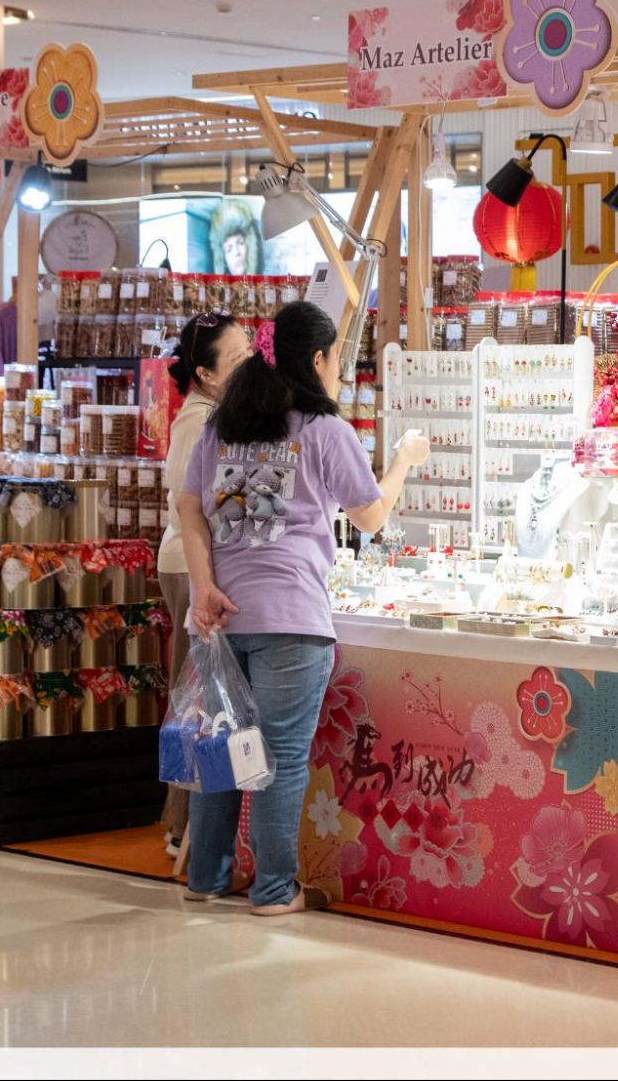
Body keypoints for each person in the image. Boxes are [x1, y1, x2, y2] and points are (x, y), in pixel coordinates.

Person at [173, 301, 428, 913]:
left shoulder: (227, 425)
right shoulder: (322, 430)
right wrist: (403, 463)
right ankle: (273, 891)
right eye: (337, 357)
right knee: (280, 761)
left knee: (223, 750)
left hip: (223, 617)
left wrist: (203, 587)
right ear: (316, 359)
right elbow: (370, 516)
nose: (339, 369)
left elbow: (189, 508)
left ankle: (205, 878)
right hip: (291, 620)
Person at [155, 311, 255, 854]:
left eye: (250, 352)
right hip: (190, 568)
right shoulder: (199, 421)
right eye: (238, 358)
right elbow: (193, 503)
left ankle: (188, 827)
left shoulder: (217, 413)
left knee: (205, 698)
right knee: (196, 703)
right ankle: (180, 829)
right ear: (206, 373)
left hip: (204, 565)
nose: (250, 365)